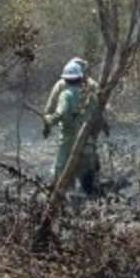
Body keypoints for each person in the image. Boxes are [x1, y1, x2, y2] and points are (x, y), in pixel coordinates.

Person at [43, 60, 107, 194]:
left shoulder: (64, 92)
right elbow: (99, 113)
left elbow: (57, 112)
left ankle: (61, 196)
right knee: (89, 171)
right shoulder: (91, 90)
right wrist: (103, 127)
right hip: (86, 138)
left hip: (68, 138)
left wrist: (48, 122)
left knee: (61, 170)